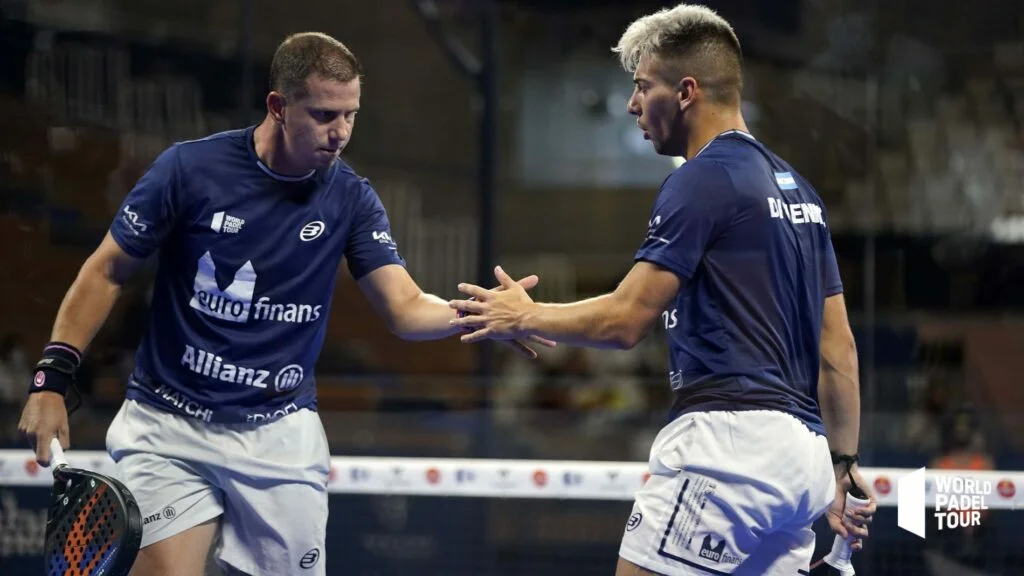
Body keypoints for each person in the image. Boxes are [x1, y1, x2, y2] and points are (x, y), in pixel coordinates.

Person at [17, 32, 551, 576]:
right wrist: (51, 379)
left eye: (351, 115)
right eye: (324, 115)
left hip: (278, 434)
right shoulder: (188, 170)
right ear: (278, 106)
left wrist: (484, 315)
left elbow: (406, 307)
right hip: (167, 424)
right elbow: (106, 270)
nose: (340, 132)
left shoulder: (351, 199)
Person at [449, 4, 876, 575]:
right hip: (804, 464)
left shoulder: (702, 179)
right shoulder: (801, 194)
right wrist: (844, 464)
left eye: (643, 85)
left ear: (686, 92)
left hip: (729, 450)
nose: (632, 103)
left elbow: (625, 320)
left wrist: (523, 315)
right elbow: (838, 349)